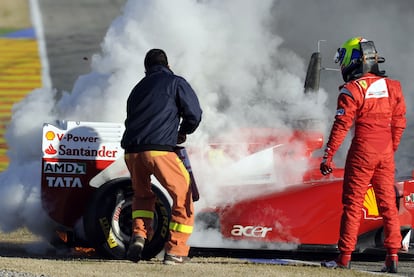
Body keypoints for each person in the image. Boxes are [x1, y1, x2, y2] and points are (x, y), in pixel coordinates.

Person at [320, 37, 406, 273]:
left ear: (354, 61)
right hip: (385, 150)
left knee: (353, 204)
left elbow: (341, 125)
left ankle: (344, 257)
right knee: (388, 205)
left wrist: (327, 156)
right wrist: (391, 148)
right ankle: (392, 258)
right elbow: (399, 123)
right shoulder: (394, 87)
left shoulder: (352, 89)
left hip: (362, 151)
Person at [121, 48, 202, 265]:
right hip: (158, 150)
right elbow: (194, 113)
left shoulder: (137, 88)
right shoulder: (175, 82)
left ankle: (138, 236)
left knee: (142, 196)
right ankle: (175, 251)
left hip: (132, 152)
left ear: (146, 68)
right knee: (183, 195)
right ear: (168, 65)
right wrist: (183, 131)